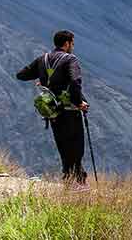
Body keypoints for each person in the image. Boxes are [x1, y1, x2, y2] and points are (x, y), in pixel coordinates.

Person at [15, 30, 90, 191]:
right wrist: (79, 103)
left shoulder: (43, 59)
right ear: (67, 43)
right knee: (77, 146)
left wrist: (42, 80)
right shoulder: (70, 59)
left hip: (53, 113)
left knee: (63, 145)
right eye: (72, 43)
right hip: (70, 111)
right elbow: (75, 82)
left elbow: (21, 75)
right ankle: (78, 183)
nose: (73, 46)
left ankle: (69, 180)